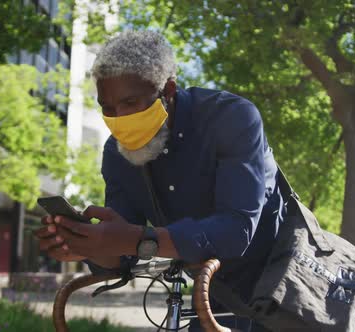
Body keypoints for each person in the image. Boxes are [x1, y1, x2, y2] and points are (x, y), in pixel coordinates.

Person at [34, 30, 285, 331]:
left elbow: (236, 230)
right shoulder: (116, 154)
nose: (119, 118)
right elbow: (123, 251)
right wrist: (89, 245)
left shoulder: (231, 118)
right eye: (107, 107)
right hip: (213, 298)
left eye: (130, 102)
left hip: (286, 291)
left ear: (167, 90)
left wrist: (139, 239)